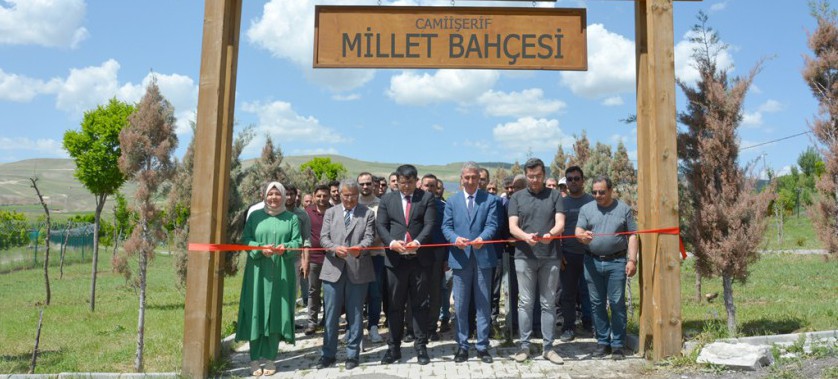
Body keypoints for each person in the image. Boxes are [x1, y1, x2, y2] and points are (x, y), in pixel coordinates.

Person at [236, 182, 302, 377]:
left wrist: (286, 247)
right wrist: (259, 248)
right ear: (264, 195)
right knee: (256, 309)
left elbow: (297, 241)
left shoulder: (292, 219)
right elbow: (246, 239)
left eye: (277, 194)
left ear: (284, 196)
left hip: (282, 272)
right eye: (270, 194)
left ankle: (271, 358)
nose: (274, 198)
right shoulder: (255, 216)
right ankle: (255, 359)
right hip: (257, 272)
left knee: (276, 312)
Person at [376, 164, 436, 365]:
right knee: (394, 306)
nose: (406, 187)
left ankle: (421, 347)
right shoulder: (387, 199)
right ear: (397, 181)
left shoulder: (426, 198)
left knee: (420, 305)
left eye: (409, 183)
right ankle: (393, 349)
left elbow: (429, 225)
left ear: (416, 181)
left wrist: (417, 242)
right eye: (402, 183)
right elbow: (381, 226)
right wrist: (392, 244)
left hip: (420, 260)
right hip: (395, 262)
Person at [508, 158, 566, 365]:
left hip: (550, 256)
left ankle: (548, 348)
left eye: (538, 176)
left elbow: (560, 222)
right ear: (526, 175)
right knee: (525, 302)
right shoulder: (516, 197)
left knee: (548, 303)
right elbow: (512, 226)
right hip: (524, 257)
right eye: (531, 176)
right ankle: (524, 346)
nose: (534, 180)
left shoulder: (555, 195)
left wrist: (551, 234)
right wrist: (525, 237)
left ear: (544, 174)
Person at [316, 180, 377, 370]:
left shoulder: (367, 213)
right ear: (339, 195)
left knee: (356, 314)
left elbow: (370, 237)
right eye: (345, 195)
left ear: (358, 195)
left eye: (352, 195)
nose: (349, 198)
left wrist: (361, 248)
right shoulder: (330, 212)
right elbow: (323, 238)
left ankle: (352, 355)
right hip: (333, 270)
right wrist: (335, 249)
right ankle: (328, 354)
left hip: (358, 269)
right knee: (331, 315)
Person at [575, 175, 638, 360]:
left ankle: (618, 344)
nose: (597, 195)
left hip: (617, 262)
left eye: (602, 192)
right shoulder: (586, 208)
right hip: (592, 262)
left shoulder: (623, 209)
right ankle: (603, 342)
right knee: (596, 303)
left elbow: (633, 236)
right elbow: (578, 231)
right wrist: (581, 236)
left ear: (610, 190)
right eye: (594, 192)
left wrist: (632, 260)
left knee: (617, 303)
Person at [442, 162, 498, 364]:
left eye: (475, 177)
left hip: (483, 259)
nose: (471, 181)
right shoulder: (452, 201)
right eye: (467, 177)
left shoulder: (490, 200)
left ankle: (483, 347)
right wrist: (454, 238)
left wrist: (483, 237)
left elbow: (492, 224)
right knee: (461, 305)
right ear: (461, 178)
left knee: (483, 305)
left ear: (480, 179)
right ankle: (462, 346)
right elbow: (446, 227)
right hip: (459, 259)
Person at [558, 166, 594, 343]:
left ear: (583, 180)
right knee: (568, 294)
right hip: (568, 254)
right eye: (570, 179)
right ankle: (568, 327)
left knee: (590, 292)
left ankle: (591, 324)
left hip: (590, 254)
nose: (573, 182)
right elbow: (557, 231)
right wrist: (559, 254)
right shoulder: (562, 203)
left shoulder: (592, 201)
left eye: (576, 178)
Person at [357, 172, 385, 344]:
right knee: (356, 294)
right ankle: (354, 327)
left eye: (368, 183)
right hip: (356, 256)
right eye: (362, 184)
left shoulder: (381, 205)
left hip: (376, 254)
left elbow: (383, 230)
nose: (365, 187)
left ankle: (373, 326)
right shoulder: (353, 203)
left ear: (374, 184)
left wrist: (366, 245)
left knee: (375, 293)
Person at [304, 184, 331, 335]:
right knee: (313, 291)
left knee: (329, 292)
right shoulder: (307, 212)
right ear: (314, 196)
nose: (322, 199)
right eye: (319, 196)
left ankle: (328, 321)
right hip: (313, 258)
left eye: (325, 196)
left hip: (331, 258)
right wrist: (305, 260)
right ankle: (311, 323)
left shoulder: (335, 211)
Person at [285, 185, 312, 311]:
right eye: (286, 193)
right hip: (275, 258)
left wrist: (305, 262)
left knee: (292, 292)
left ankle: (290, 323)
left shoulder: (302, 215)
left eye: (292, 194)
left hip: (295, 259)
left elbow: (306, 240)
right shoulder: (274, 213)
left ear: (296, 196)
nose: (289, 197)